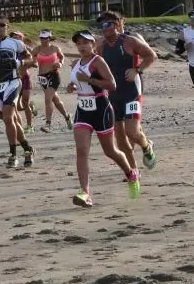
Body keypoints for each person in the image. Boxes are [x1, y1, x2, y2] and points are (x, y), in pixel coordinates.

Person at [66, 32, 140, 207]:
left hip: (101, 108)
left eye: (85, 43)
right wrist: (71, 86)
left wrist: (89, 79)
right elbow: (77, 83)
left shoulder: (98, 61)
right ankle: (85, 193)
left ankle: (131, 174)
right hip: (83, 110)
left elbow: (112, 85)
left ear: (93, 44)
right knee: (81, 150)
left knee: (110, 151)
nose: (82, 46)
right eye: (79, 43)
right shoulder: (76, 64)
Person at [96, 11, 158, 172]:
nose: (105, 27)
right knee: (120, 138)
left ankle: (147, 147)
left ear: (117, 24)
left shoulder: (129, 41)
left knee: (132, 132)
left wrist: (137, 70)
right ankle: (133, 170)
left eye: (108, 24)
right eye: (102, 25)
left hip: (131, 92)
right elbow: (95, 65)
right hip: (112, 95)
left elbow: (151, 55)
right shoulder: (100, 45)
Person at [0, 15, 36, 168]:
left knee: (9, 119)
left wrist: (18, 62)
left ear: (7, 27)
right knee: (9, 119)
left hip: (13, 83)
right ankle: (27, 149)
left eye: (2, 25)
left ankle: (13, 155)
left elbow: (31, 60)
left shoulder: (16, 43)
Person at [32, 29, 73, 133]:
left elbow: (62, 57)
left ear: (49, 38)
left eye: (45, 38)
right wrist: (34, 62)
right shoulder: (37, 49)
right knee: (55, 100)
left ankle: (48, 124)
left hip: (54, 75)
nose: (43, 40)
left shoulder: (55, 48)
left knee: (47, 99)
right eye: (41, 38)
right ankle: (67, 116)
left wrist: (60, 63)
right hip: (42, 78)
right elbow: (31, 59)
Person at [10, 30, 37, 134]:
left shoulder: (27, 50)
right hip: (14, 80)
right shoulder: (9, 49)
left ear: (22, 38)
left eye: (18, 37)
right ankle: (31, 107)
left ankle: (30, 126)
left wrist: (26, 63)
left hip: (25, 78)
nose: (16, 39)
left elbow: (35, 63)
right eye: (13, 37)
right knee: (17, 106)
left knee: (25, 102)